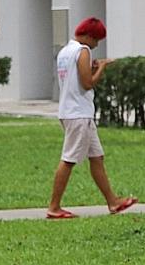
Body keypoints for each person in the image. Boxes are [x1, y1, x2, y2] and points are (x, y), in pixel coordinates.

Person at [46, 17, 137, 220]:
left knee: (97, 157)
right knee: (69, 159)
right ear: (89, 36)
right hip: (79, 113)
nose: (97, 45)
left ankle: (113, 202)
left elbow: (75, 78)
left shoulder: (65, 51)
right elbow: (87, 83)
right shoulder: (83, 51)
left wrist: (91, 67)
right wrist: (102, 68)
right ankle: (54, 207)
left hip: (71, 110)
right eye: (97, 40)